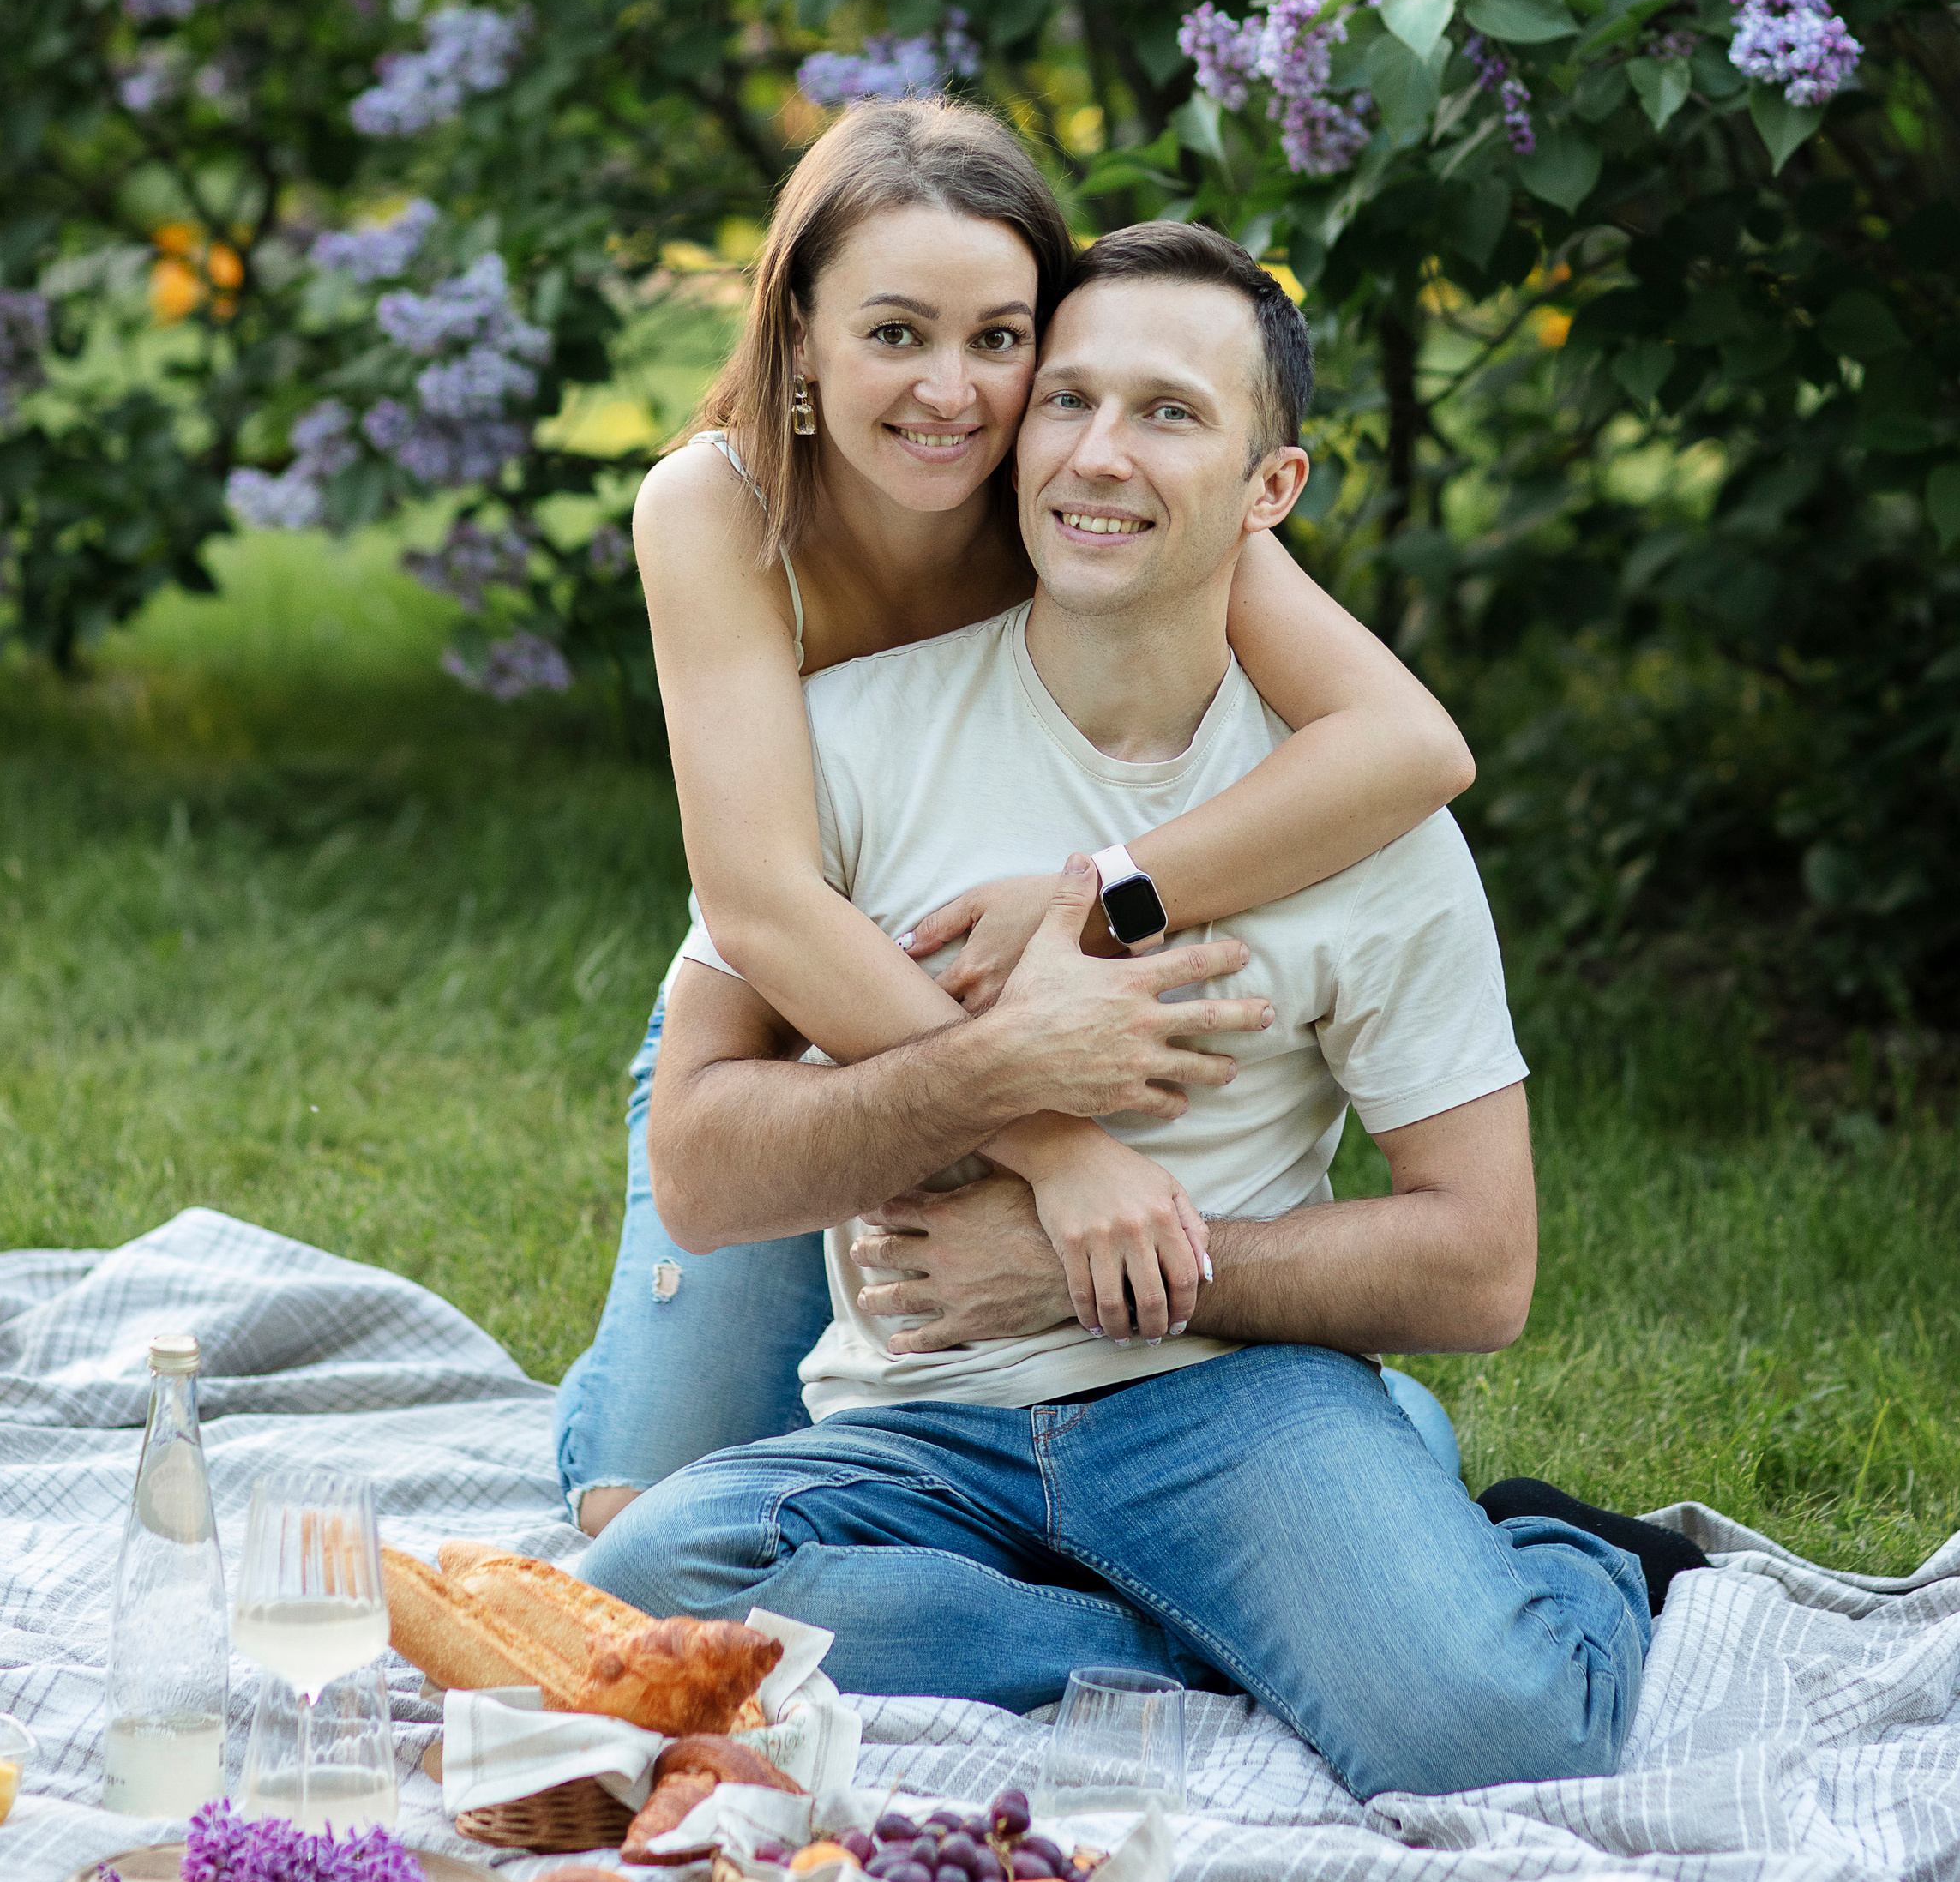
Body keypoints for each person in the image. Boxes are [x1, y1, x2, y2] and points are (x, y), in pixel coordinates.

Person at [578, 225, 1704, 1801]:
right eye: (1070, 401)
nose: (1100, 454)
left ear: (1271, 489)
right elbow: (700, 1161)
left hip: (1225, 1398)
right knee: (628, 1602)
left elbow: (1482, 1259)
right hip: (917, 1429)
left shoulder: (1355, 817)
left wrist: (1113, 1273)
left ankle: (1544, 1564)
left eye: (1170, 413)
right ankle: (1209, 1632)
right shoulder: (843, 742)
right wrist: (1003, 1089)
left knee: (1493, 1736)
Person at [554, 101, 1479, 1536]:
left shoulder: (1080, 490)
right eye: (894, 334)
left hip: (1015, 975)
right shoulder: (715, 507)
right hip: (803, 1005)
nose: (951, 393)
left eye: (998, 339)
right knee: (638, 1527)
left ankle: (1349, 1436)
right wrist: (1046, 1137)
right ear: (798, 333)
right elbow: (760, 907)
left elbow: (1410, 745)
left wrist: (1097, 895)